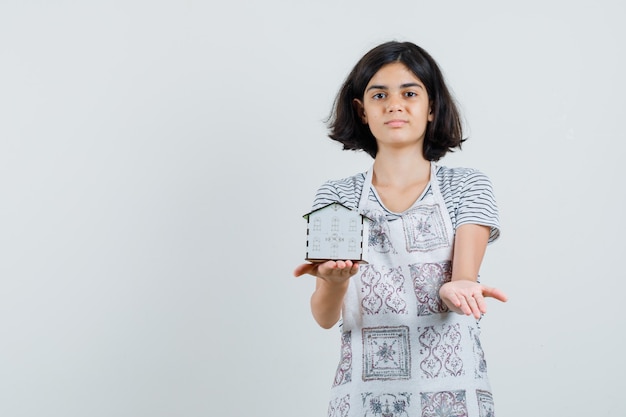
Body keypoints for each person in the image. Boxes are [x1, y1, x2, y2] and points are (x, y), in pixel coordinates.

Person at [294, 41, 508, 417]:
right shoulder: (337, 196)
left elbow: (463, 277)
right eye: (380, 94)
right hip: (362, 398)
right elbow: (325, 317)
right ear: (362, 111)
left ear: (432, 108)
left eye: (409, 92)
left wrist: (458, 286)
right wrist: (333, 281)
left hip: (454, 397)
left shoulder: (467, 186)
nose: (394, 104)